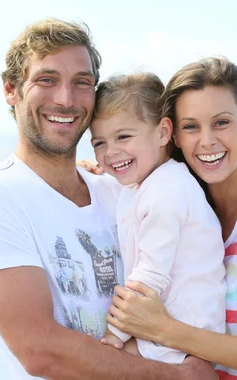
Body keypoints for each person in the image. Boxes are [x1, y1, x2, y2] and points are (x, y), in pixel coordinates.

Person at [0, 18, 218, 380]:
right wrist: (181, 376)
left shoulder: (123, 189)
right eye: (46, 80)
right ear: (11, 90)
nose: (66, 98)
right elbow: (41, 351)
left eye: (82, 83)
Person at [104, 57, 237, 379]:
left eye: (221, 122)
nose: (207, 140)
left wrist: (164, 329)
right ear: (172, 135)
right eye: (191, 127)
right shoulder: (189, 204)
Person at [89, 73, 226, 363]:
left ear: (163, 132)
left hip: (180, 339)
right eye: (99, 143)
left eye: (123, 136)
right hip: (173, 333)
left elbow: (150, 274)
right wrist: (82, 170)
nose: (111, 152)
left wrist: (115, 334)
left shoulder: (167, 190)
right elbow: (120, 192)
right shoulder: (151, 182)